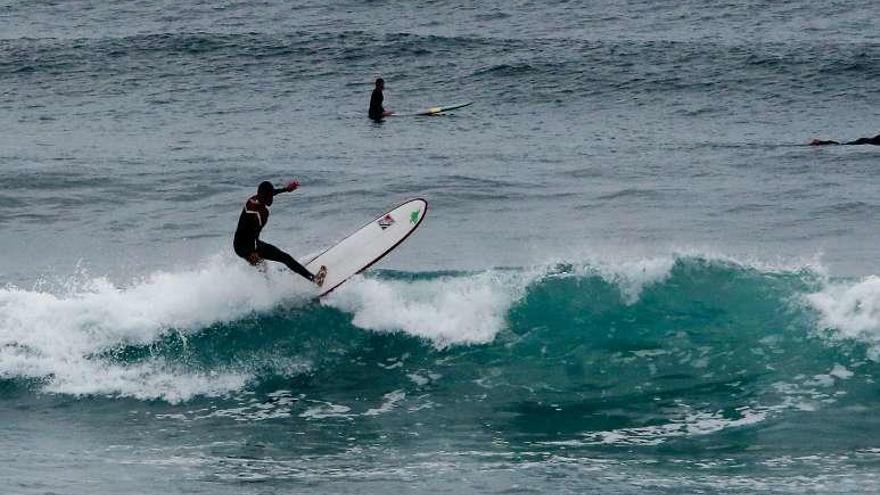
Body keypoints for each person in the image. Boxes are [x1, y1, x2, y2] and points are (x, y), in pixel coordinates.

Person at [233, 180, 326, 286]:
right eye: (270, 197)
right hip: (245, 247)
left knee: (272, 263)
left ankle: (270, 288)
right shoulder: (258, 214)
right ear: (264, 196)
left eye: (271, 195)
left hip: (245, 243)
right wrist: (251, 253)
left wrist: (286, 189)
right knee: (280, 259)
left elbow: (271, 192)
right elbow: (252, 235)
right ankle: (315, 280)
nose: (272, 199)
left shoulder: (254, 199)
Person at [809, 134, 880, 146]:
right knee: (839, 145)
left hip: (865, 141)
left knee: (840, 145)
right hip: (864, 141)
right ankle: (820, 142)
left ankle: (820, 142)